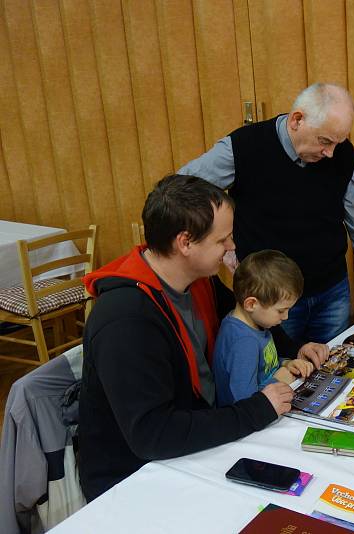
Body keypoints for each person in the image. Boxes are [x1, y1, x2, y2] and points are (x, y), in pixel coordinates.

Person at [79, 175, 298, 502]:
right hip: (134, 479)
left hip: (196, 436)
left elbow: (250, 315)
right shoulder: (126, 320)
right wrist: (257, 410)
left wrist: (295, 350)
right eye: (222, 240)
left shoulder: (197, 279)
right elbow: (154, 435)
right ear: (185, 243)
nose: (232, 247)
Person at [179, 82, 354, 344]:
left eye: (337, 143)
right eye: (325, 141)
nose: (331, 153)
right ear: (297, 120)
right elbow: (181, 188)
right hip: (270, 298)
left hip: (331, 292)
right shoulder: (243, 147)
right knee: (281, 375)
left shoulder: (343, 155)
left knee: (331, 374)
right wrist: (224, 244)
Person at [214, 250, 330, 406]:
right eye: (281, 311)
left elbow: (264, 365)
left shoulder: (255, 321)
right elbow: (244, 403)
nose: (286, 317)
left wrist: (286, 364)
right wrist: (278, 379)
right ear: (251, 304)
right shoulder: (243, 342)